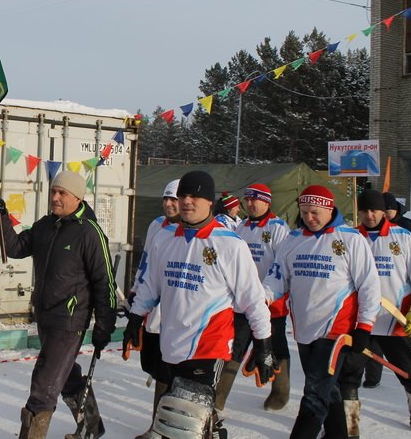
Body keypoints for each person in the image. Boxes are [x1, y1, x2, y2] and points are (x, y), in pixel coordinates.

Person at [125, 171, 275, 438]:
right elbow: (150, 286)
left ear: (209, 202)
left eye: (195, 196)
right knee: (180, 420)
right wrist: (135, 318)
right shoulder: (164, 238)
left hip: (208, 346)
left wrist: (264, 344)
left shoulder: (229, 244)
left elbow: (252, 300)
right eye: (183, 195)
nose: (187, 201)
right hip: (171, 344)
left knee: (183, 424)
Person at [0, 171, 116, 439]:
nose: (55, 197)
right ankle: (92, 426)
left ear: (77, 197)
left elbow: (104, 281)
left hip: (69, 321)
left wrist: (105, 325)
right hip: (45, 316)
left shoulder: (89, 232)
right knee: (66, 375)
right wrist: (1, 218)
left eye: (62, 193)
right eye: (53, 192)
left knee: (43, 387)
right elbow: (16, 248)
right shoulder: (46, 225)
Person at [263, 185, 380, 439]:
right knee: (328, 389)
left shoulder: (350, 239)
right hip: (305, 329)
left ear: (329, 209)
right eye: (304, 212)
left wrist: (364, 326)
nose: (309, 217)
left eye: (315, 212)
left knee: (314, 395)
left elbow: (369, 286)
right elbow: (278, 277)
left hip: (336, 332)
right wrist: (263, 297)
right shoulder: (293, 239)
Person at [341, 189, 411, 435]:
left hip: (393, 320)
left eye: (374, 210)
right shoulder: (350, 238)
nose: (369, 215)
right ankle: (350, 425)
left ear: (384, 211)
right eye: (364, 210)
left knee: (410, 373)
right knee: (349, 374)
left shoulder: (402, 236)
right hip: (360, 322)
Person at [216, 183, 292, 412]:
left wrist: (267, 294)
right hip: (243, 302)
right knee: (235, 347)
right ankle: (218, 397)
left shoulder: (278, 228)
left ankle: (280, 392)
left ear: (266, 202)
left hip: (271, 304)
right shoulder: (241, 227)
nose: (249, 204)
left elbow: (282, 265)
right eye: (247, 200)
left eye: (254, 200)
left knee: (275, 346)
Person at [130, 179, 180, 439]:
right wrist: (135, 290)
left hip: (178, 313)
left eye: (174, 199)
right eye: (166, 199)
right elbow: (146, 260)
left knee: (169, 371)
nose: (169, 204)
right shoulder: (156, 225)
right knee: (152, 364)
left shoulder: (190, 231)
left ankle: (161, 428)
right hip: (153, 307)